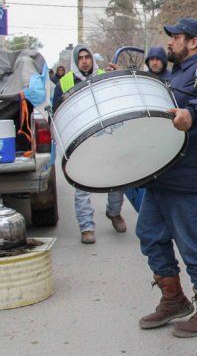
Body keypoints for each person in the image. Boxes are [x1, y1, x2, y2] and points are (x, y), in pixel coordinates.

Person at [136, 18, 197, 338]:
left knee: (195, 245)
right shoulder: (176, 73)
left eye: (176, 37)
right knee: (150, 234)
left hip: (194, 177)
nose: (170, 42)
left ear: (193, 42)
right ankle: (174, 299)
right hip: (164, 173)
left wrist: (192, 114)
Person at [52, 45, 126, 245]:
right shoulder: (64, 82)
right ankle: (86, 227)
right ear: (75, 61)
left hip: (106, 136)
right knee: (81, 184)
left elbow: (118, 99)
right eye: (81, 58)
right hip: (80, 140)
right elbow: (57, 113)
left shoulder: (104, 75)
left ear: (92, 59)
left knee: (116, 179)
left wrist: (118, 77)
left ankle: (114, 213)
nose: (84, 61)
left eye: (87, 57)